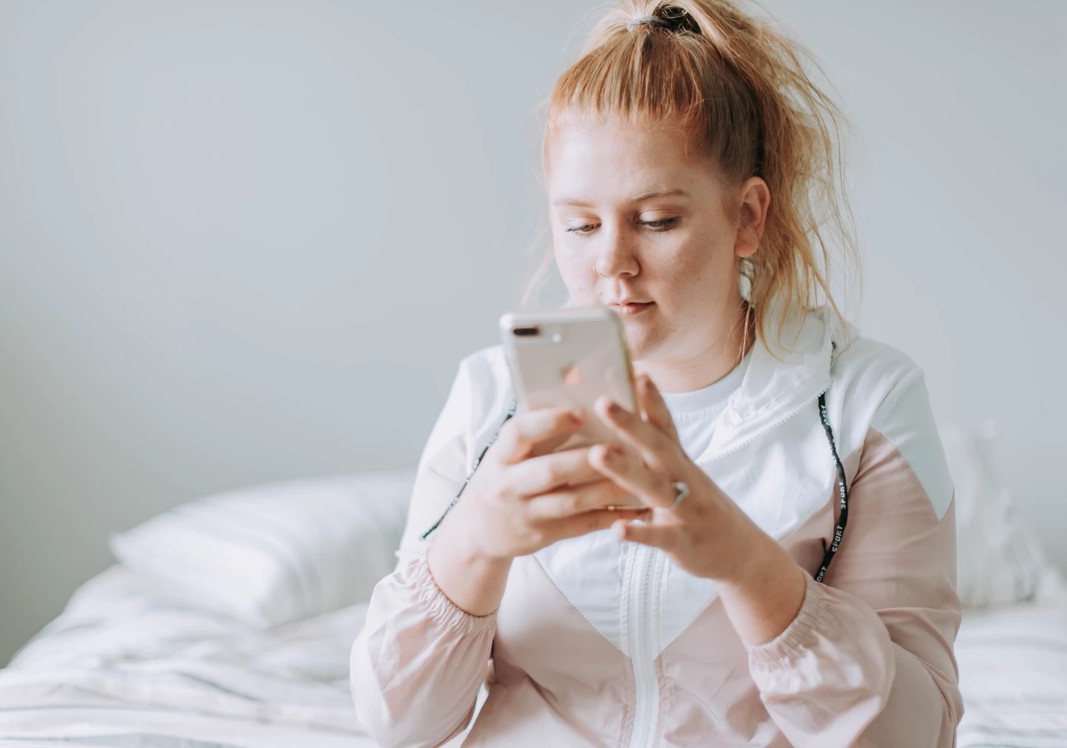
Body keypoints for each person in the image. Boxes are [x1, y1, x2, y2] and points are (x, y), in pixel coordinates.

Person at [350, 1, 962, 745]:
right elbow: (394, 726)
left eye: (657, 220)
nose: (609, 263)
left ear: (747, 217)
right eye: (579, 224)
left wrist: (744, 564)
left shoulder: (867, 403)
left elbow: (915, 732)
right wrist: (474, 541)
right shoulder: (489, 398)